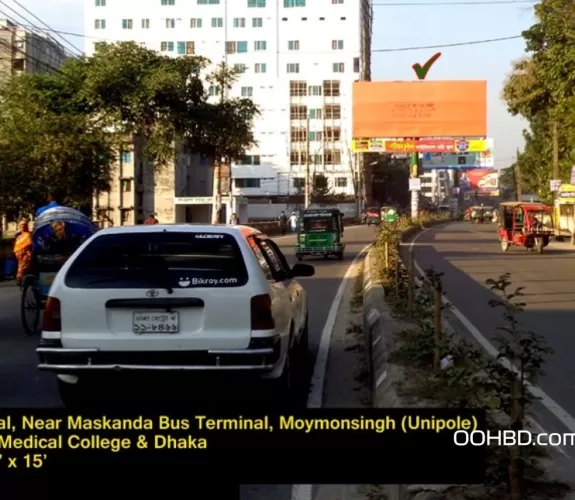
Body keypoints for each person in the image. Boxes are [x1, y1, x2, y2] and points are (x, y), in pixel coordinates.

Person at [13, 220, 33, 285]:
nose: (22, 226)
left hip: (26, 254)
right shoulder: (18, 235)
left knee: (23, 267)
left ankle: (19, 278)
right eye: (21, 225)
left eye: (24, 225)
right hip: (19, 254)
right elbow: (16, 245)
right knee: (20, 266)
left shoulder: (29, 234)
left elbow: (29, 243)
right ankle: (22, 279)